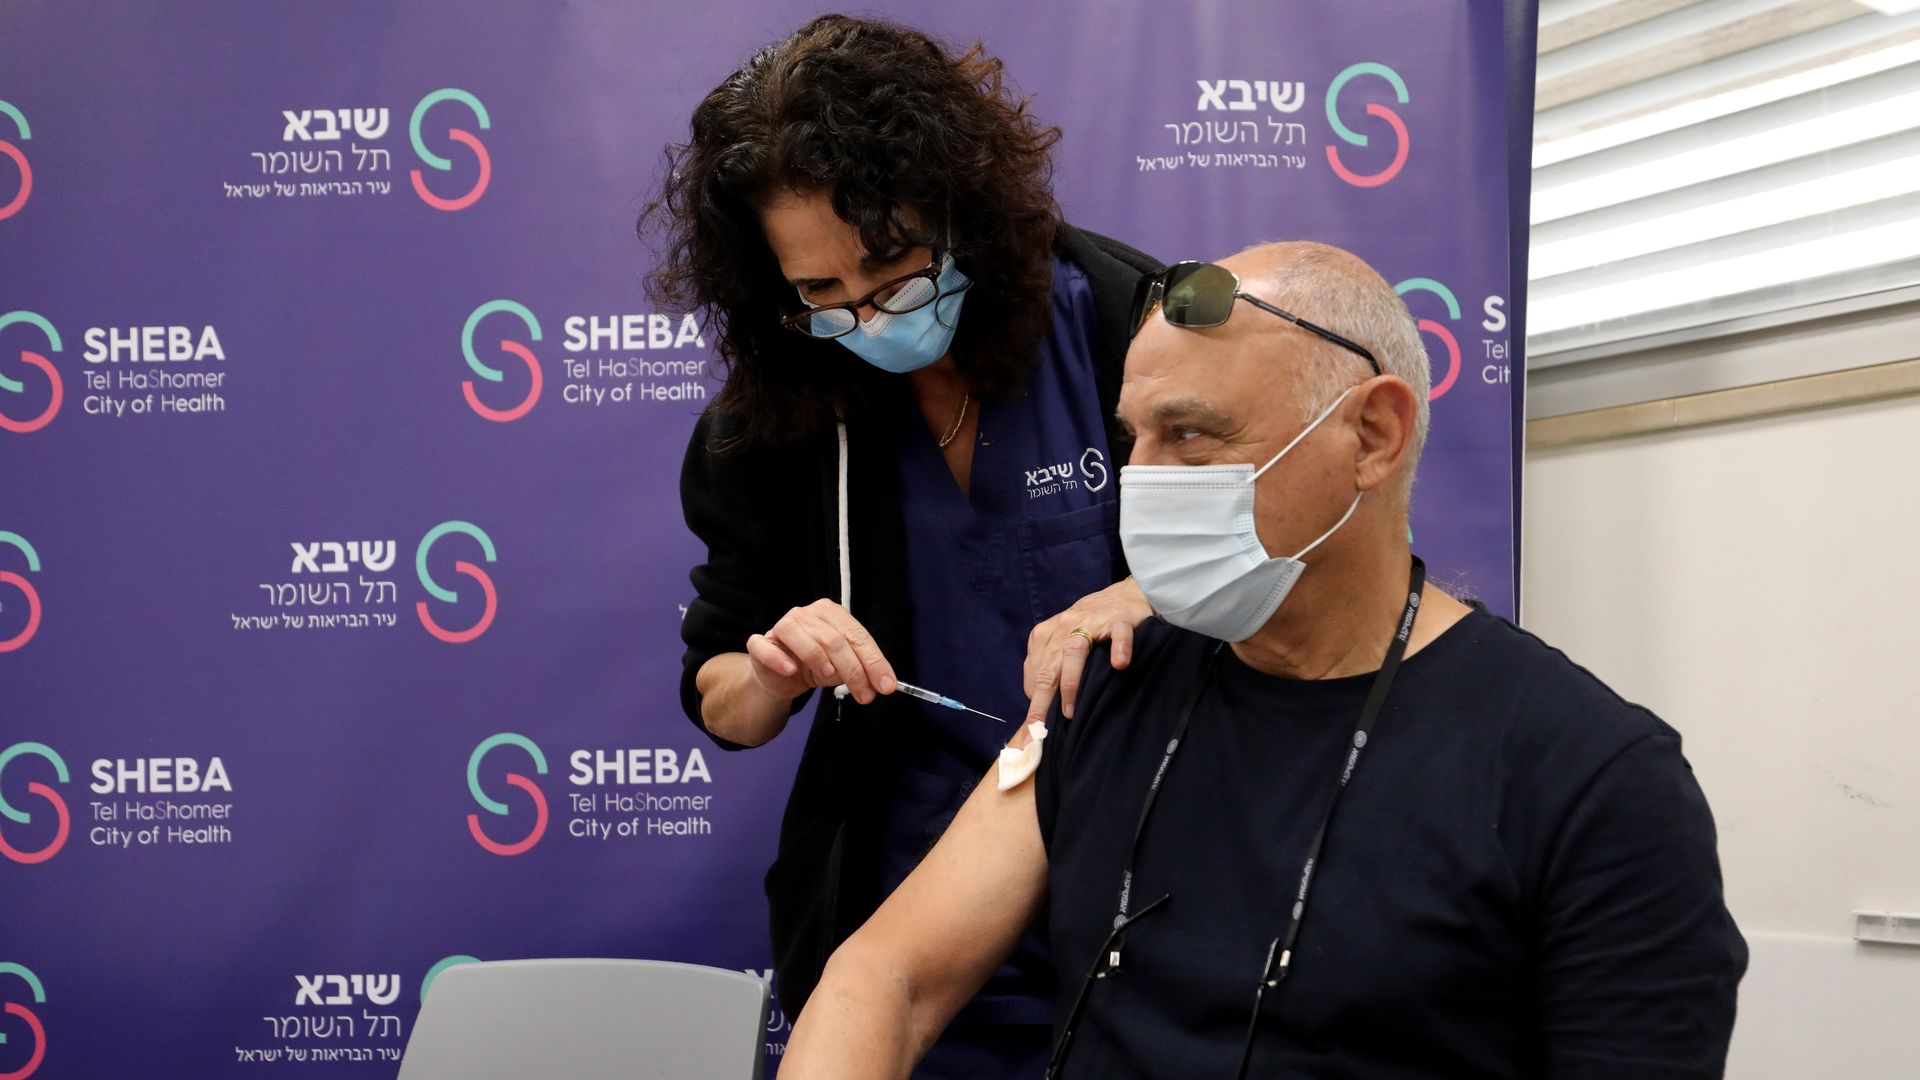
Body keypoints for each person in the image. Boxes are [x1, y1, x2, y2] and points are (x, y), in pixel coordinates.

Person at [780, 242, 1750, 1079]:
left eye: (1192, 435)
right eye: (1135, 438)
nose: (1143, 482)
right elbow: (887, 979)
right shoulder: (1099, 684)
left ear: (1373, 435)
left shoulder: (1589, 779)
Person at [640, 14, 1160, 1075]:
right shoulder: (774, 422)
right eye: (822, 296)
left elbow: (1283, 562)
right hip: (922, 911)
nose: (873, 321)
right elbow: (723, 695)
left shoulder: (1124, 325)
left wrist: (1151, 595)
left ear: (962, 206)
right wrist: (772, 667)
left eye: (893, 271)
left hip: (1148, 893)